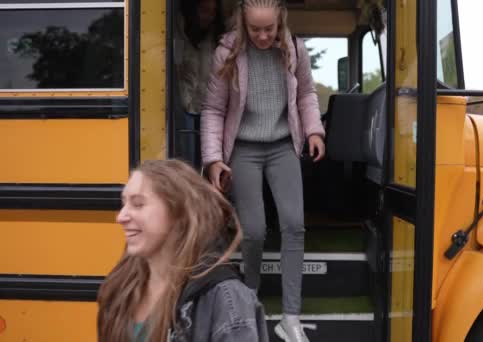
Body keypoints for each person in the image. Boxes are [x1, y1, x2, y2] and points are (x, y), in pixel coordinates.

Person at [200, 1, 326, 341]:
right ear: (244, 23)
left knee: (294, 224)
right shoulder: (227, 54)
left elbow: (307, 95)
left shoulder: (294, 50)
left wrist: (314, 130)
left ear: (280, 20)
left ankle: (290, 318)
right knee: (253, 231)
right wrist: (213, 159)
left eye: (269, 28)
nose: (263, 35)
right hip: (244, 149)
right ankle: (250, 301)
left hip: (283, 145)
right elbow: (213, 110)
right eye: (255, 29)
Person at [97, 159, 269, 342]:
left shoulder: (224, 297)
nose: (121, 217)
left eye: (138, 204)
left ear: (180, 215)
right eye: (124, 203)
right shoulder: (121, 285)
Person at [174, 0, 225, 166]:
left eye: (213, 12)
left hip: (209, 106)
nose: (209, 16)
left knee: (209, 161)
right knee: (187, 159)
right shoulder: (176, 33)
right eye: (204, 10)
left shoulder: (218, 38)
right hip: (183, 106)